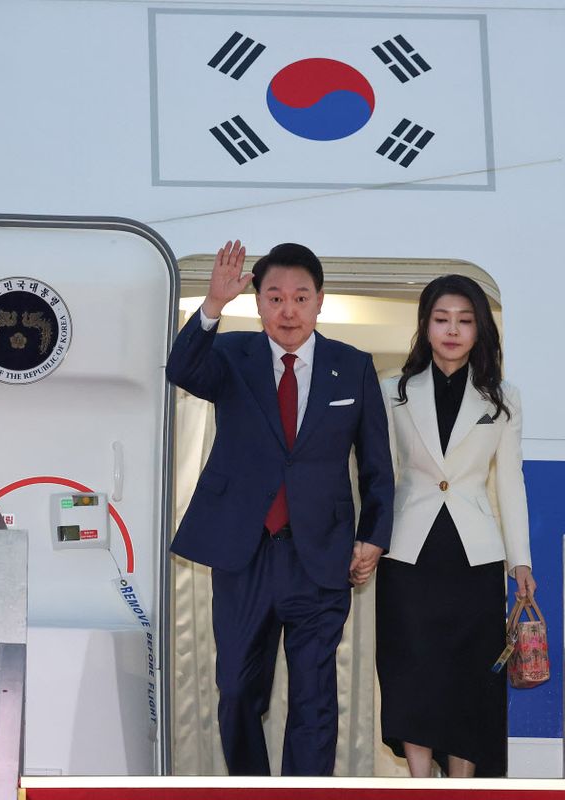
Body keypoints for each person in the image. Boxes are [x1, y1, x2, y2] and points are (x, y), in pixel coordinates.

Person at [167, 240, 394, 776]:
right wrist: (212, 305)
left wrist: (373, 535)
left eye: (300, 297)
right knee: (237, 689)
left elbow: (376, 465)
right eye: (274, 298)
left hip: (320, 555)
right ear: (259, 302)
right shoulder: (231, 355)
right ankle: (251, 788)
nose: (287, 311)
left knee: (315, 699)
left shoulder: (352, 366)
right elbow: (182, 369)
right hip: (244, 554)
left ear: (320, 301)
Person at [375, 274, 536, 779]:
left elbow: (509, 482)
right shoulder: (393, 391)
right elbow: (381, 476)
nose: (452, 330)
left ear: (479, 329)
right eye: (441, 319)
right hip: (407, 554)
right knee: (411, 668)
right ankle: (420, 781)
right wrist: (369, 540)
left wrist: (521, 561)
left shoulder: (503, 397)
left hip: (476, 557)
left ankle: (462, 786)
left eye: (464, 321)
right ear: (425, 325)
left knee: (471, 674)